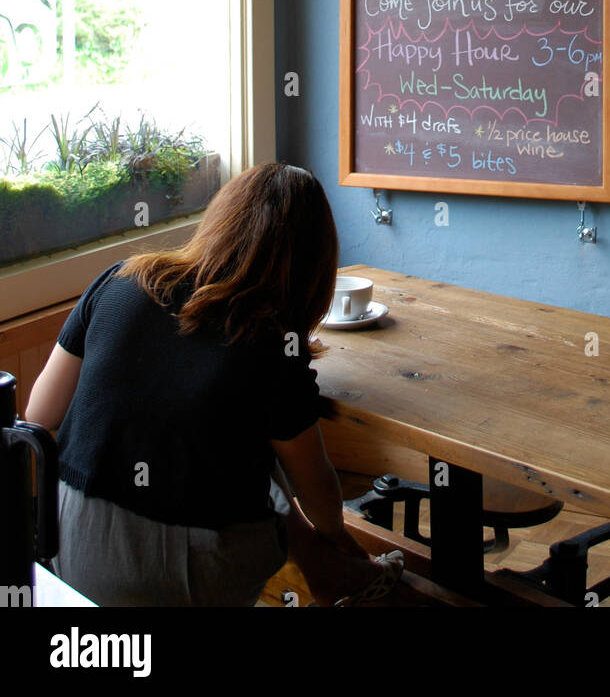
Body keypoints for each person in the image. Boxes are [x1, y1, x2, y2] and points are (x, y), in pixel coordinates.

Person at [25, 162, 403, 607]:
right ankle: (339, 571)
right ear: (312, 264)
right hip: (182, 569)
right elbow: (317, 493)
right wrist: (337, 535)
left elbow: (39, 414)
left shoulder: (121, 278)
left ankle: (333, 574)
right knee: (256, 460)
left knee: (240, 452)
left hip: (66, 540)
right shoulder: (271, 341)